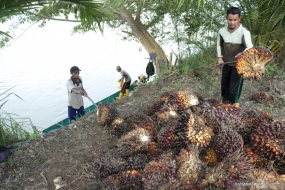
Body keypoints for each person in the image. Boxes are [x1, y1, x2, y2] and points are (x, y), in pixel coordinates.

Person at [217, 7, 253, 106]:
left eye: (235, 20)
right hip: (226, 64)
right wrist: (220, 57)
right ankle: (224, 107)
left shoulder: (244, 32)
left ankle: (233, 110)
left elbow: (250, 47)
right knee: (224, 87)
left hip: (239, 66)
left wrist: (242, 54)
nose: (232, 22)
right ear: (226, 18)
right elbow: (219, 45)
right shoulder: (222, 31)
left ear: (239, 19)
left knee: (233, 91)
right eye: (230, 20)